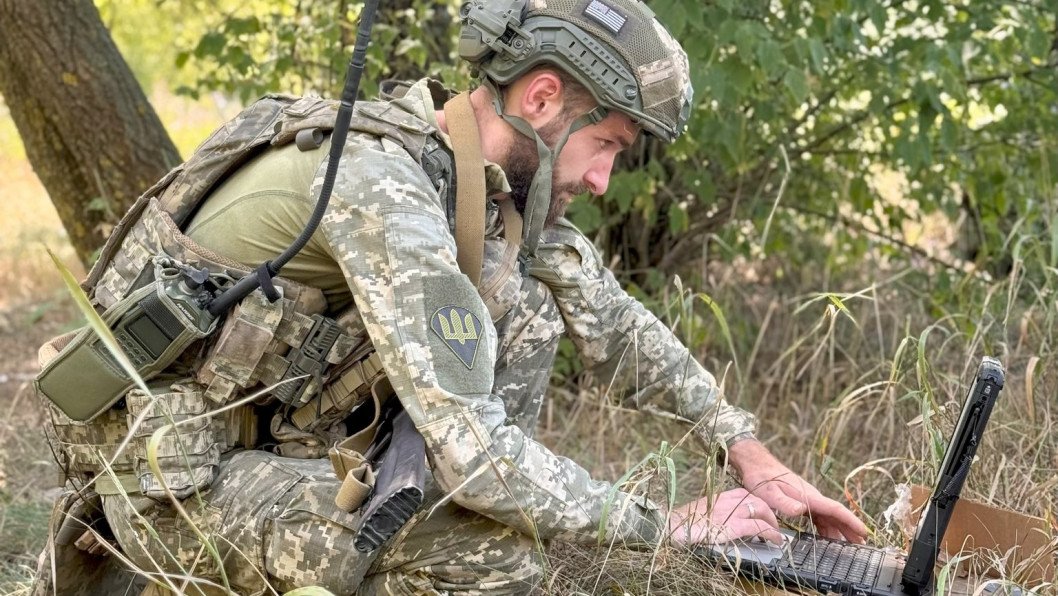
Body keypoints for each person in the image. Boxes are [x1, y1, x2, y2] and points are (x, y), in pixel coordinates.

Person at [33, 0, 867, 594]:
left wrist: (747, 452)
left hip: (260, 452)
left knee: (532, 305)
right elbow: (478, 452)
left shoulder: (477, 186)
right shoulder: (383, 186)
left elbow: (616, 325)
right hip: (169, 490)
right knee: (495, 558)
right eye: (606, 144)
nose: (606, 179)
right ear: (542, 98)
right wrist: (665, 525)